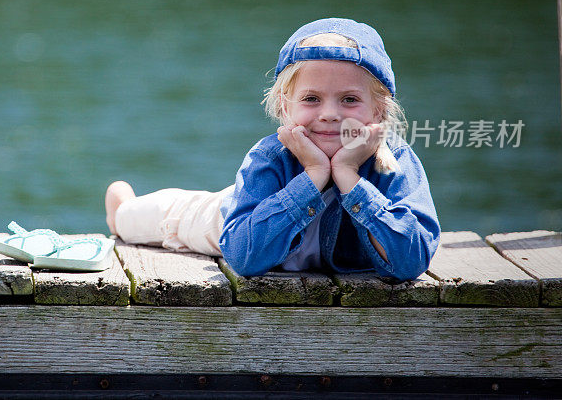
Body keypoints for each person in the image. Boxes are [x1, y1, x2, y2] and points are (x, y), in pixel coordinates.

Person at [105, 17, 440, 281]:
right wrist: (313, 176)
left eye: (349, 100)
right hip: (240, 216)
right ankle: (122, 209)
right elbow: (244, 257)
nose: (329, 114)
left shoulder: (394, 162)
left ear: (378, 109)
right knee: (178, 219)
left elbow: (411, 260)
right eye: (311, 99)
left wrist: (348, 176)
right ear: (285, 107)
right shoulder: (270, 158)